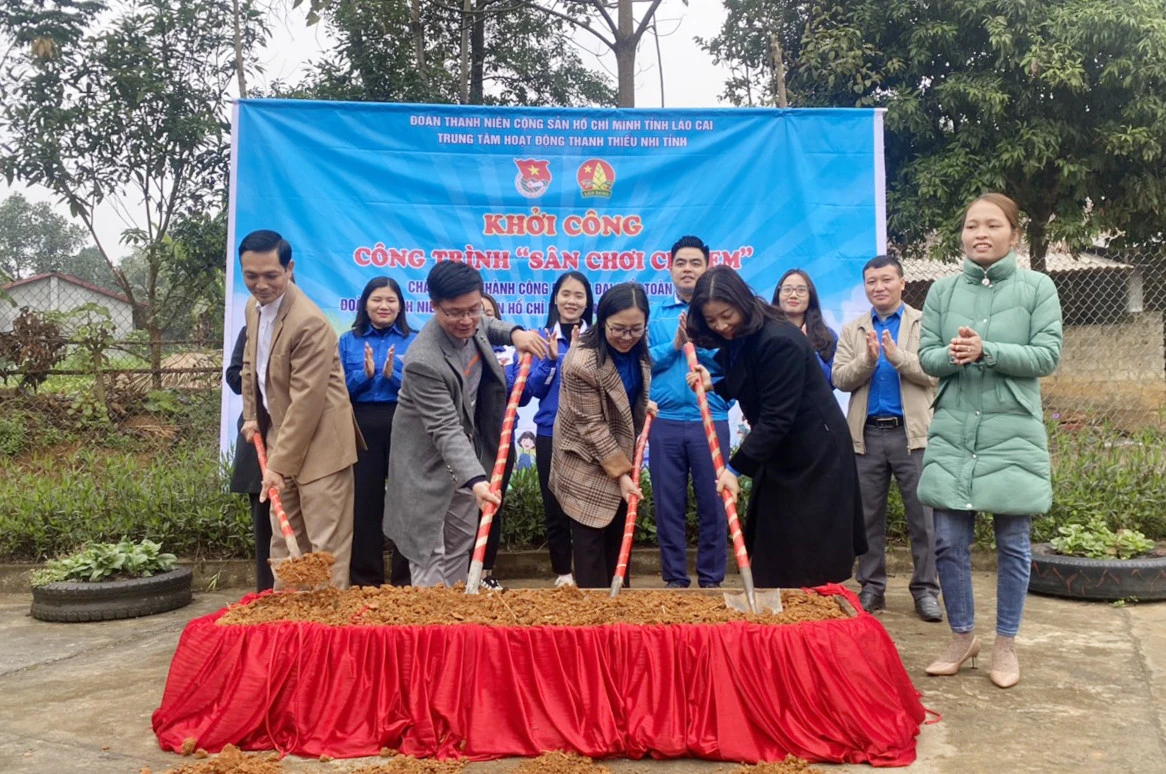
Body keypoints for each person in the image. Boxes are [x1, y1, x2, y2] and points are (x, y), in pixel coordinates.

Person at [917, 193, 1062, 689]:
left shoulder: (1038, 287)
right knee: (948, 544)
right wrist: (954, 353)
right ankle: (962, 638)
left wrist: (988, 350)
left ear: (1013, 234)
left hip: (1012, 432)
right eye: (971, 225)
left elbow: (1046, 356)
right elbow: (927, 358)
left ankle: (1005, 644)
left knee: (1014, 545)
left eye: (992, 225)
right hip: (955, 431)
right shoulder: (941, 291)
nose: (980, 233)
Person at [685, 266, 866, 589]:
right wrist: (718, 385)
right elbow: (754, 378)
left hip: (814, 456)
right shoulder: (743, 335)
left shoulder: (779, 339)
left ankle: (809, 627)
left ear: (741, 301)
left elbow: (777, 415)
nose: (721, 326)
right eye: (711, 321)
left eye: (726, 315)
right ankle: (780, 623)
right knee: (772, 544)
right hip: (782, 452)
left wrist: (734, 469)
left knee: (804, 552)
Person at [383, 261, 547, 587]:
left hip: (465, 460)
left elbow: (486, 325)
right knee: (429, 557)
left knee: (460, 547)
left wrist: (516, 334)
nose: (467, 320)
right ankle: (430, 633)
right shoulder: (423, 360)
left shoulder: (473, 323)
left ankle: (458, 627)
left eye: (473, 309)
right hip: (427, 467)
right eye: (455, 313)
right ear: (434, 306)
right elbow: (445, 428)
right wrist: (476, 481)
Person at [238, 229, 363, 589]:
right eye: (251, 276)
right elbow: (252, 366)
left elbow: (307, 402)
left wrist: (277, 466)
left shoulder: (309, 322)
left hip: (323, 447)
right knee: (285, 540)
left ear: (289, 269)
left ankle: (325, 636)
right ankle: (288, 630)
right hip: (282, 435)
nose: (261, 285)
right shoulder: (253, 308)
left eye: (271, 275)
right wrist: (250, 416)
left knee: (324, 551)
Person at [833, 255, 941, 620]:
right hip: (867, 436)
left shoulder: (924, 324)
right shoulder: (853, 330)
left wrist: (896, 357)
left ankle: (926, 590)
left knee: (923, 518)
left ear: (902, 283)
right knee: (866, 518)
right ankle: (872, 588)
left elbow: (935, 373)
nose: (878, 287)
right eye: (871, 282)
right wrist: (867, 360)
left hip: (913, 437)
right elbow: (840, 378)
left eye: (885, 280)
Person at [551, 282, 655, 589]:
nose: (627, 337)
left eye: (635, 329)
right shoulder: (581, 361)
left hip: (619, 456)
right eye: (618, 329)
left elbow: (625, 394)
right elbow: (592, 427)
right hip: (583, 461)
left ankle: (620, 620)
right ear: (602, 320)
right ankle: (592, 625)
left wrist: (643, 404)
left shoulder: (640, 345)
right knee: (590, 547)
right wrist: (623, 476)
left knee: (619, 544)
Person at [647, 235, 729, 589]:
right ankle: (675, 579)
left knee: (715, 503)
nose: (688, 269)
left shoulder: (720, 314)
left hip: (709, 418)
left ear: (707, 266)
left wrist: (699, 344)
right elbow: (645, 360)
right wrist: (676, 344)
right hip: (664, 421)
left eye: (695, 263)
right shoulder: (653, 314)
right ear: (669, 268)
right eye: (681, 263)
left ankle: (711, 580)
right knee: (668, 506)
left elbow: (731, 364)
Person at [338, 277, 416, 587]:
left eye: (391, 300)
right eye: (377, 300)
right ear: (365, 304)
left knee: (406, 501)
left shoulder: (416, 339)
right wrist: (365, 375)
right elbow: (336, 389)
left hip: (404, 421)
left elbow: (425, 388)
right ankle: (364, 579)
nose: (384, 306)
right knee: (364, 503)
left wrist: (393, 375)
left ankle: (405, 579)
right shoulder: (348, 340)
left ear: (400, 306)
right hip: (361, 423)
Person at [526, 271, 594, 588]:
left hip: (588, 436)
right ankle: (563, 572)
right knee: (554, 507)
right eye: (566, 294)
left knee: (585, 506)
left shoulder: (598, 339)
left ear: (587, 302)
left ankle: (589, 571)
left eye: (578, 295)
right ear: (555, 298)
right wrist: (550, 361)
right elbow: (531, 391)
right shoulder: (540, 338)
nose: (571, 301)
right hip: (550, 434)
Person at [225, 324, 273, 592]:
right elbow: (233, 378)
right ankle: (266, 592)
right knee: (264, 517)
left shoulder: (306, 328)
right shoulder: (250, 331)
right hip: (259, 432)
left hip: (297, 432)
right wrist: (261, 376)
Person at [478, 291, 520, 590]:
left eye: (487, 313)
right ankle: (457, 571)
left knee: (492, 507)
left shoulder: (510, 353)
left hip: (500, 442)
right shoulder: (457, 350)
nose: (480, 318)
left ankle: (484, 572)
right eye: (475, 311)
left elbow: (525, 390)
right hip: (467, 441)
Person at [772, 269, 838, 387]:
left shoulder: (827, 336)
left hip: (813, 404)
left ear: (810, 296)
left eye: (801, 290)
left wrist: (807, 348)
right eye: (787, 289)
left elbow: (831, 381)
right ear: (778, 294)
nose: (793, 295)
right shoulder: (765, 333)